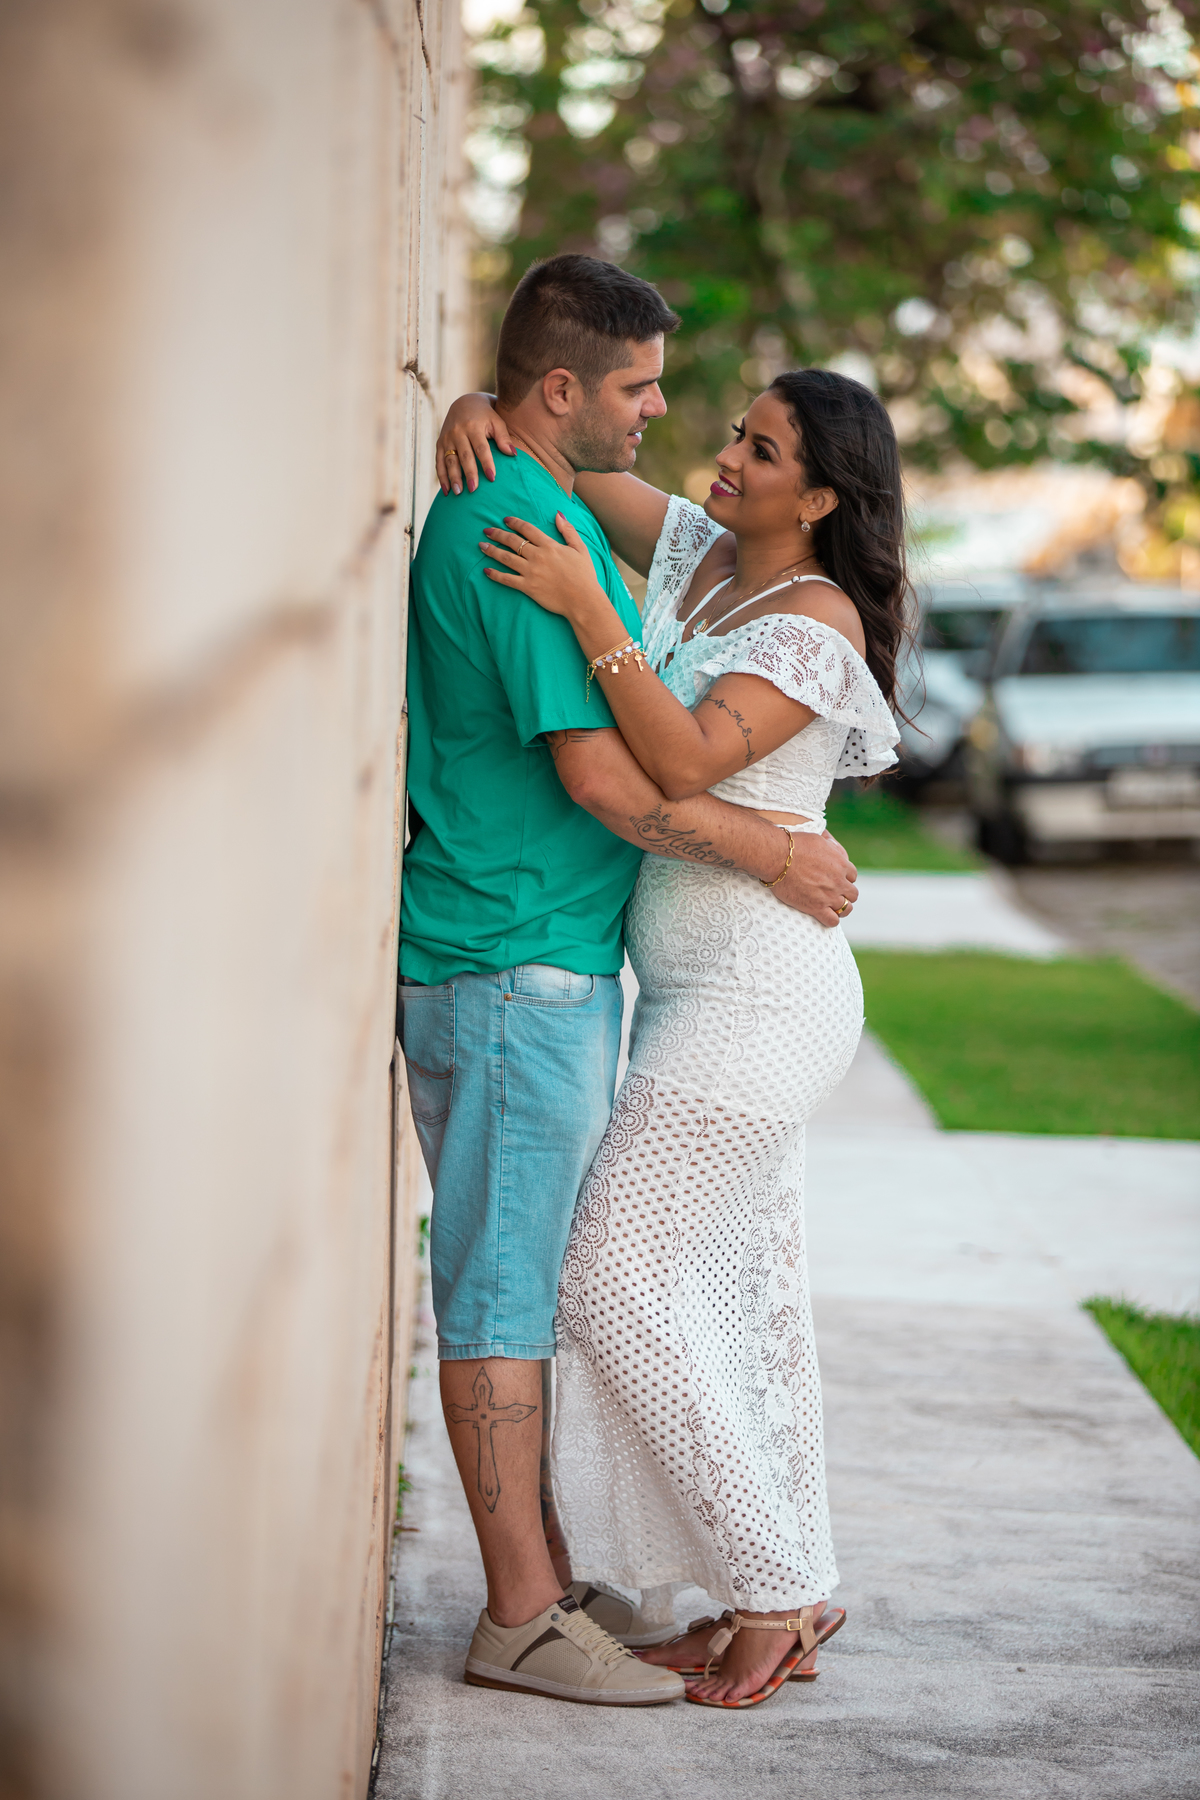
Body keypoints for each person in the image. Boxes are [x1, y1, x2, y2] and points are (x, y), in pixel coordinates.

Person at [400, 254, 861, 1707]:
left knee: (615, 1277)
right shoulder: (674, 549)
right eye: (681, 407)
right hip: (579, 973)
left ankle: (764, 1590)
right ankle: (675, 1591)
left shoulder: (804, 613)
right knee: (624, 1284)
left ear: (824, 496)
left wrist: (779, 862)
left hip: (726, 987)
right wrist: (471, 398)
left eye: (753, 444)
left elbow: (665, 760)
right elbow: (620, 771)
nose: (702, 440)